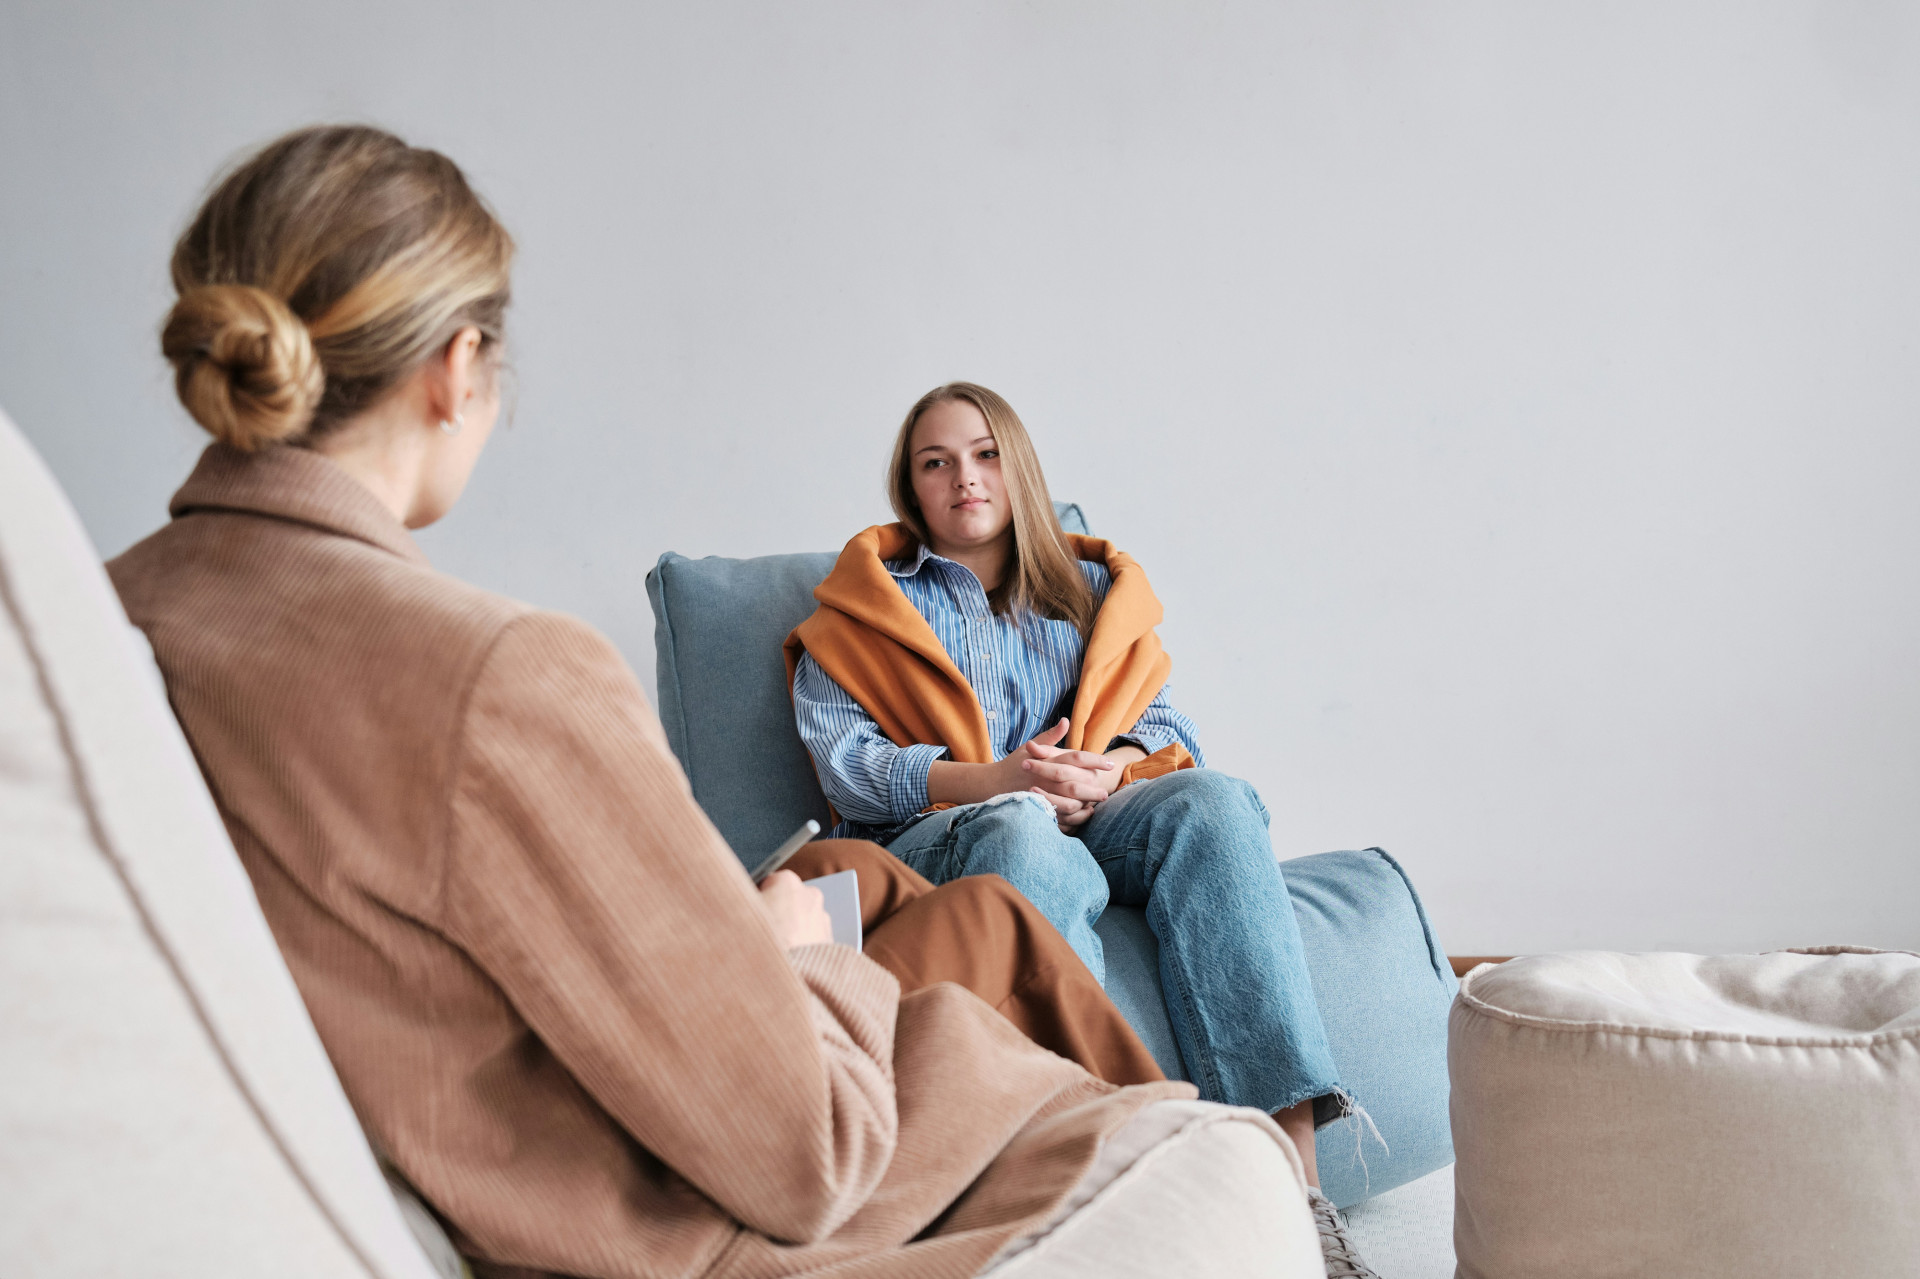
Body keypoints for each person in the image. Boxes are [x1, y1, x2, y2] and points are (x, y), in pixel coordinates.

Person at [105, 126, 1284, 1279]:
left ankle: (1203, 1136)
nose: (961, 478)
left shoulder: (107, 623)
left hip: (531, 1110)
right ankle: (1210, 1166)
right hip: (672, 1208)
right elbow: (797, 1151)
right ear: (456, 368)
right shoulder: (501, 672)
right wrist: (792, 954)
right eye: (938, 459)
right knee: (1149, 1120)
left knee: (910, 894)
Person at [787, 381, 1385, 1266]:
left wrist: (1114, 765)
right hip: (947, 829)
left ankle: (1295, 1188)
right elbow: (849, 766)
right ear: (910, 487)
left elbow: (1167, 725)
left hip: (1093, 809)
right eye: (936, 462)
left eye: (985, 454)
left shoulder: (1091, 589)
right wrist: (1000, 779)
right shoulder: (865, 608)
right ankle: (1094, 1190)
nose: (964, 477)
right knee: (1023, 827)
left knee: (1216, 801)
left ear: (1018, 466)